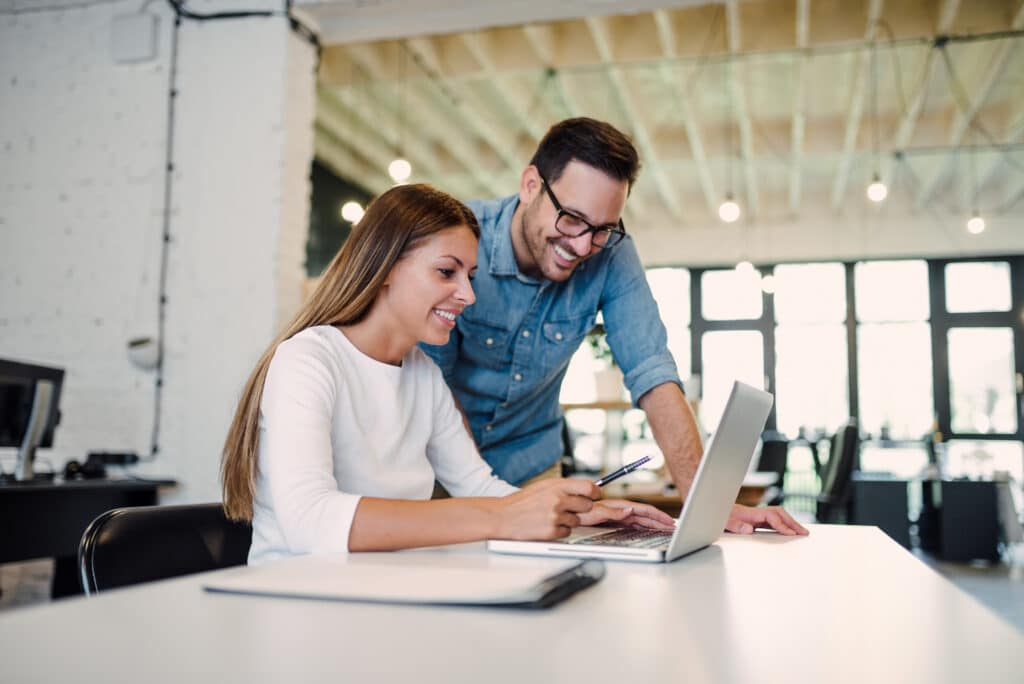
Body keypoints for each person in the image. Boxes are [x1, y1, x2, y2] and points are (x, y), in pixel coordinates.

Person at [220, 183, 674, 564]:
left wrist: (576, 513)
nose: (468, 296)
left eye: (470, 276)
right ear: (384, 268)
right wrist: (500, 518)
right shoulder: (308, 360)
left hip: (384, 601)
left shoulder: (422, 374)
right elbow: (310, 521)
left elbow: (476, 486)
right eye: (446, 272)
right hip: (296, 608)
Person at [420, 118, 807, 536]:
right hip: (439, 473)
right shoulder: (460, 239)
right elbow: (430, 381)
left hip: (534, 470)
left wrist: (709, 505)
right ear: (531, 185)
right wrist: (490, 499)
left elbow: (652, 370)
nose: (584, 246)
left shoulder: (613, 254)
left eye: (603, 228)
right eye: (571, 218)